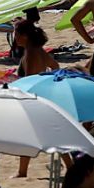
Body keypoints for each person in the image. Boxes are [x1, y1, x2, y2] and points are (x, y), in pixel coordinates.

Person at [13, 18, 59, 177]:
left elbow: (29, 80)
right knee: (54, 136)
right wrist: (47, 81)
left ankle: (22, 172)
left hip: (32, 98)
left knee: (27, 136)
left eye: (17, 35)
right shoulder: (38, 50)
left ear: (25, 36)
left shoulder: (32, 53)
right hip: (43, 96)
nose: (15, 38)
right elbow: (55, 67)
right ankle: (22, 171)